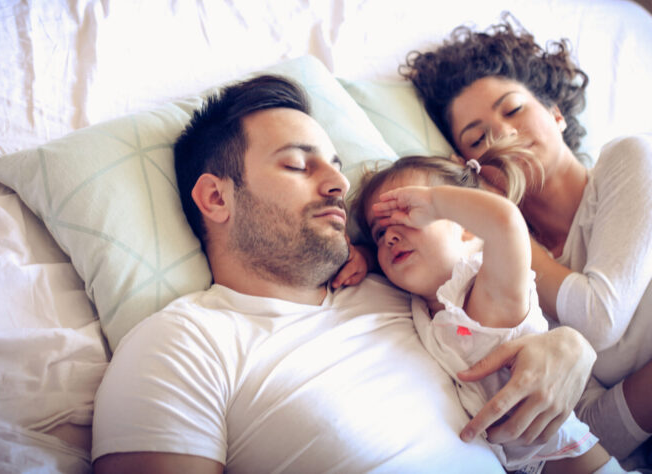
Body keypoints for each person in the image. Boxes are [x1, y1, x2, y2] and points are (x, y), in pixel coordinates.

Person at [91, 74, 597, 473]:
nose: (338, 182)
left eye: (334, 164)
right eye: (297, 166)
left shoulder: (407, 289)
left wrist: (567, 345)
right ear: (217, 197)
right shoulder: (183, 345)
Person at [401, 16, 652, 464]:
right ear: (472, 167)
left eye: (513, 109)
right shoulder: (507, 287)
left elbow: (599, 317)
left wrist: (507, 228)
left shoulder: (630, 158)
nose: (500, 133)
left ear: (556, 114)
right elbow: (581, 435)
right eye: (477, 138)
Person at [349, 138, 616, 472]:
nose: (390, 235)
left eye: (408, 213)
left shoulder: (486, 289)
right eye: (379, 232)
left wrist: (436, 201)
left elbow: (506, 223)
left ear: (468, 228)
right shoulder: (419, 303)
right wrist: (365, 257)